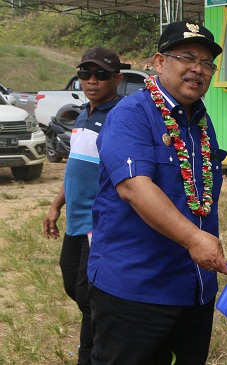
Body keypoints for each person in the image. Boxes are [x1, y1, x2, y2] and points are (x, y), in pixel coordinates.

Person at [87, 21, 227, 365]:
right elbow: (136, 188)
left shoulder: (201, 123)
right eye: (187, 57)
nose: (198, 69)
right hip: (137, 288)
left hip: (194, 288)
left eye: (207, 63)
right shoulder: (132, 114)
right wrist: (195, 239)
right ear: (159, 62)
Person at [42, 47, 124, 365]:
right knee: (73, 284)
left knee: (91, 295)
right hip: (76, 221)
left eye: (101, 74)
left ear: (117, 78)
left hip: (99, 224)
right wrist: (55, 205)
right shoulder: (82, 114)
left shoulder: (120, 117)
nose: (92, 81)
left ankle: (93, 354)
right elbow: (76, 167)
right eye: (85, 74)